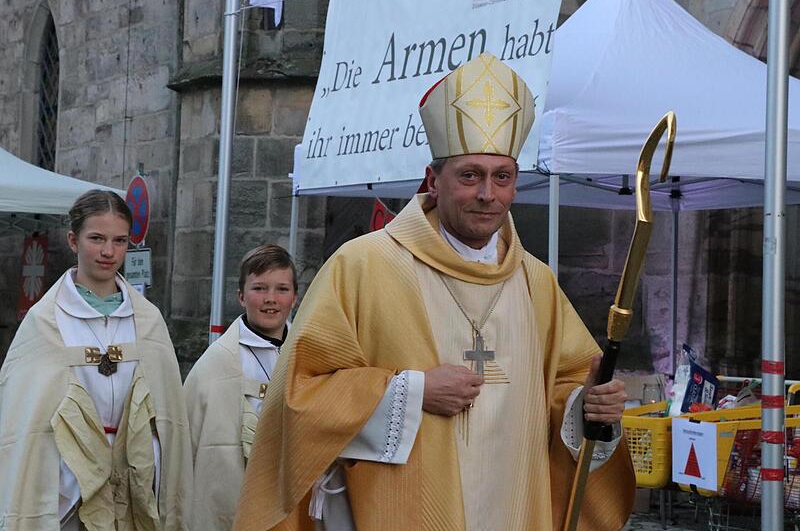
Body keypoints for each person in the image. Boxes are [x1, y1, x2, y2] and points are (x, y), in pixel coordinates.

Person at [234, 53, 636, 531]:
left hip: (515, 507)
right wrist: (412, 391)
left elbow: (564, 393)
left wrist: (587, 407)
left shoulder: (536, 282)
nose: (488, 194)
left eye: (501, 177)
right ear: (433, 179)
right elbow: (299, 398)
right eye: (470, 175)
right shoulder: (364, 266)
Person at [0, 189, 192, 530]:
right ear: (74, 241)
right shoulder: (46, 321)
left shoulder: (146, 320)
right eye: (97, 238)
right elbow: (24, 415)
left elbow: (166, 413)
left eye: (119, 241)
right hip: (67, 482)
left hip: (135, 474)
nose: (108, 251)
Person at [184, 244, 298, 530]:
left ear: (295, 297)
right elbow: (188, 448)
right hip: (232, 497)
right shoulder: (216, 363)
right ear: (241, 296)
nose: (271, 299)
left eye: (282, 289)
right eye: (259, 288)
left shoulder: (308, 354)